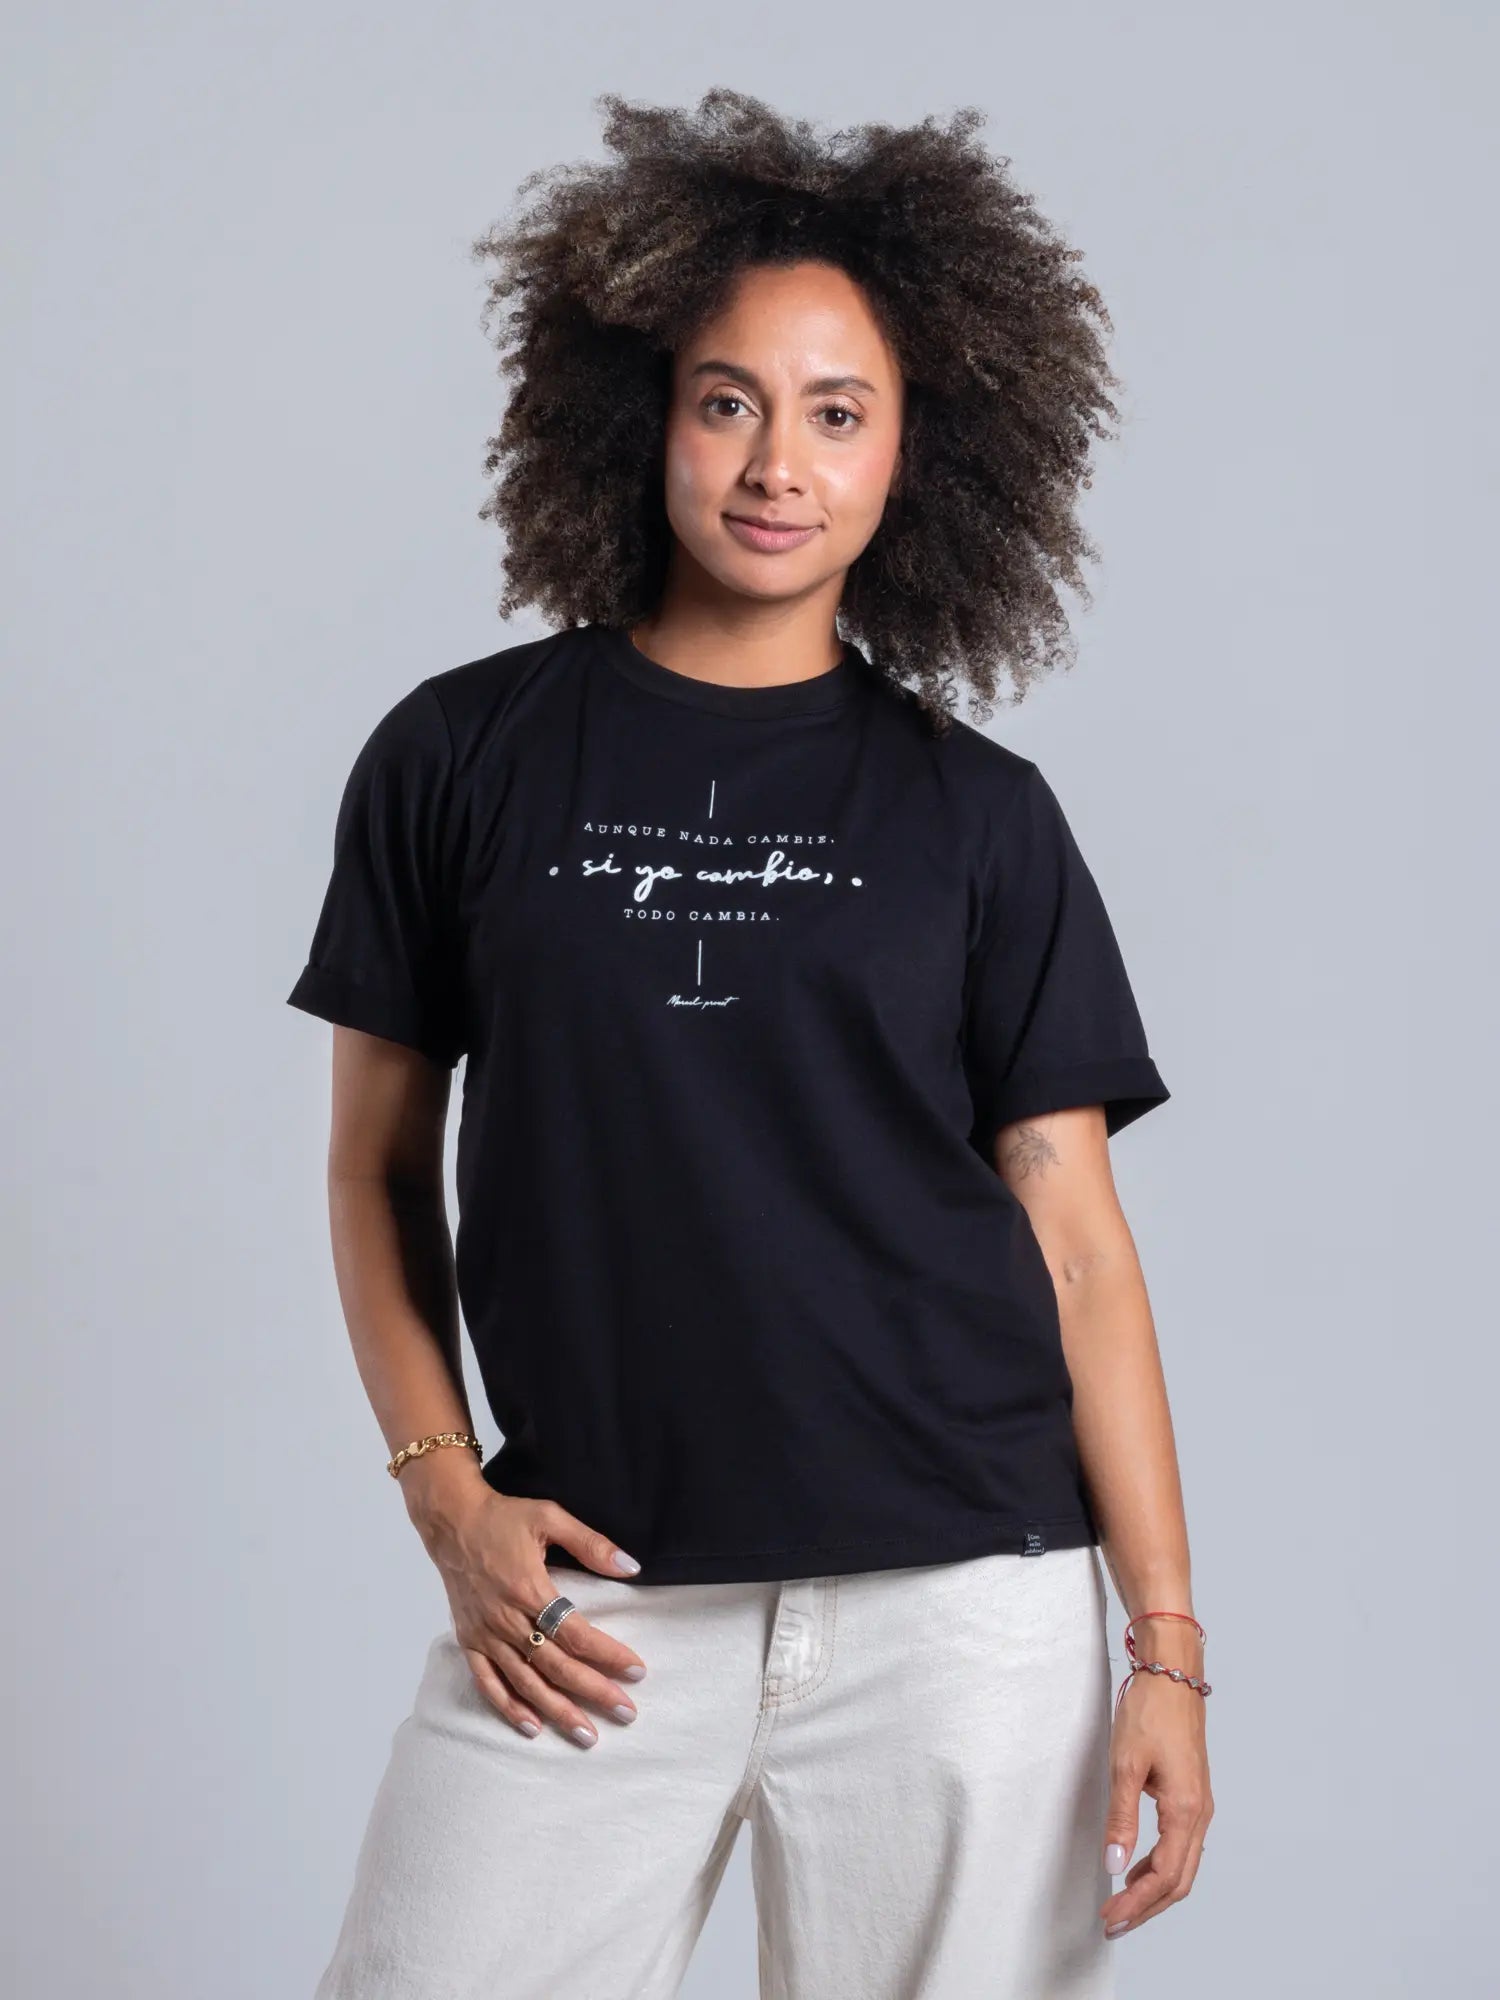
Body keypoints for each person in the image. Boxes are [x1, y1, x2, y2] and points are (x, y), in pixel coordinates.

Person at [286, 87, 1213, 2000]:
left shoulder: (981, 816)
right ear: (643, 418)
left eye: (838, 413)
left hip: (962, 1608)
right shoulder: (459, 755)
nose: (778, 462)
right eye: (728, 401)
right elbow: (374, 1172)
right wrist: (446, 1494)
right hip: (592, 1601)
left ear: (917, 454)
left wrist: (1167, 1649)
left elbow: (1077, 1245)